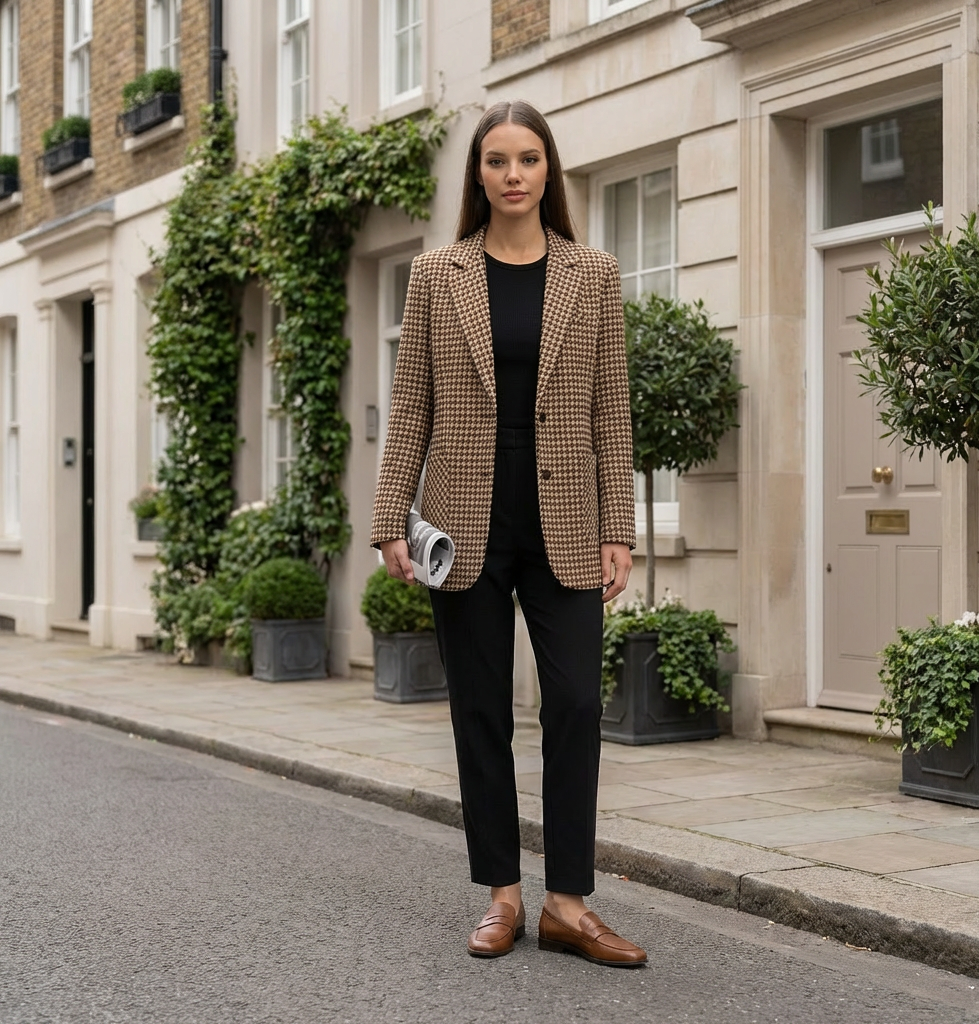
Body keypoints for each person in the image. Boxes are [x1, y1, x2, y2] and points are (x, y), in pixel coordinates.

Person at [370, 100, 646, 968]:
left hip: (564, 519)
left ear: (549, 170)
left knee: (571, 705)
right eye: (498, 160)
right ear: (478, 175)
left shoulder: (594, 274)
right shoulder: (436, 274)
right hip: (463, 519)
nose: (515, 174)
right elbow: (412, 403)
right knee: (479, 712)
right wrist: (389, 521)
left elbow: (611, 409)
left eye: (529, 159)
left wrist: (619, 525)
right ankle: (503, 896)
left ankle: (569, 903)